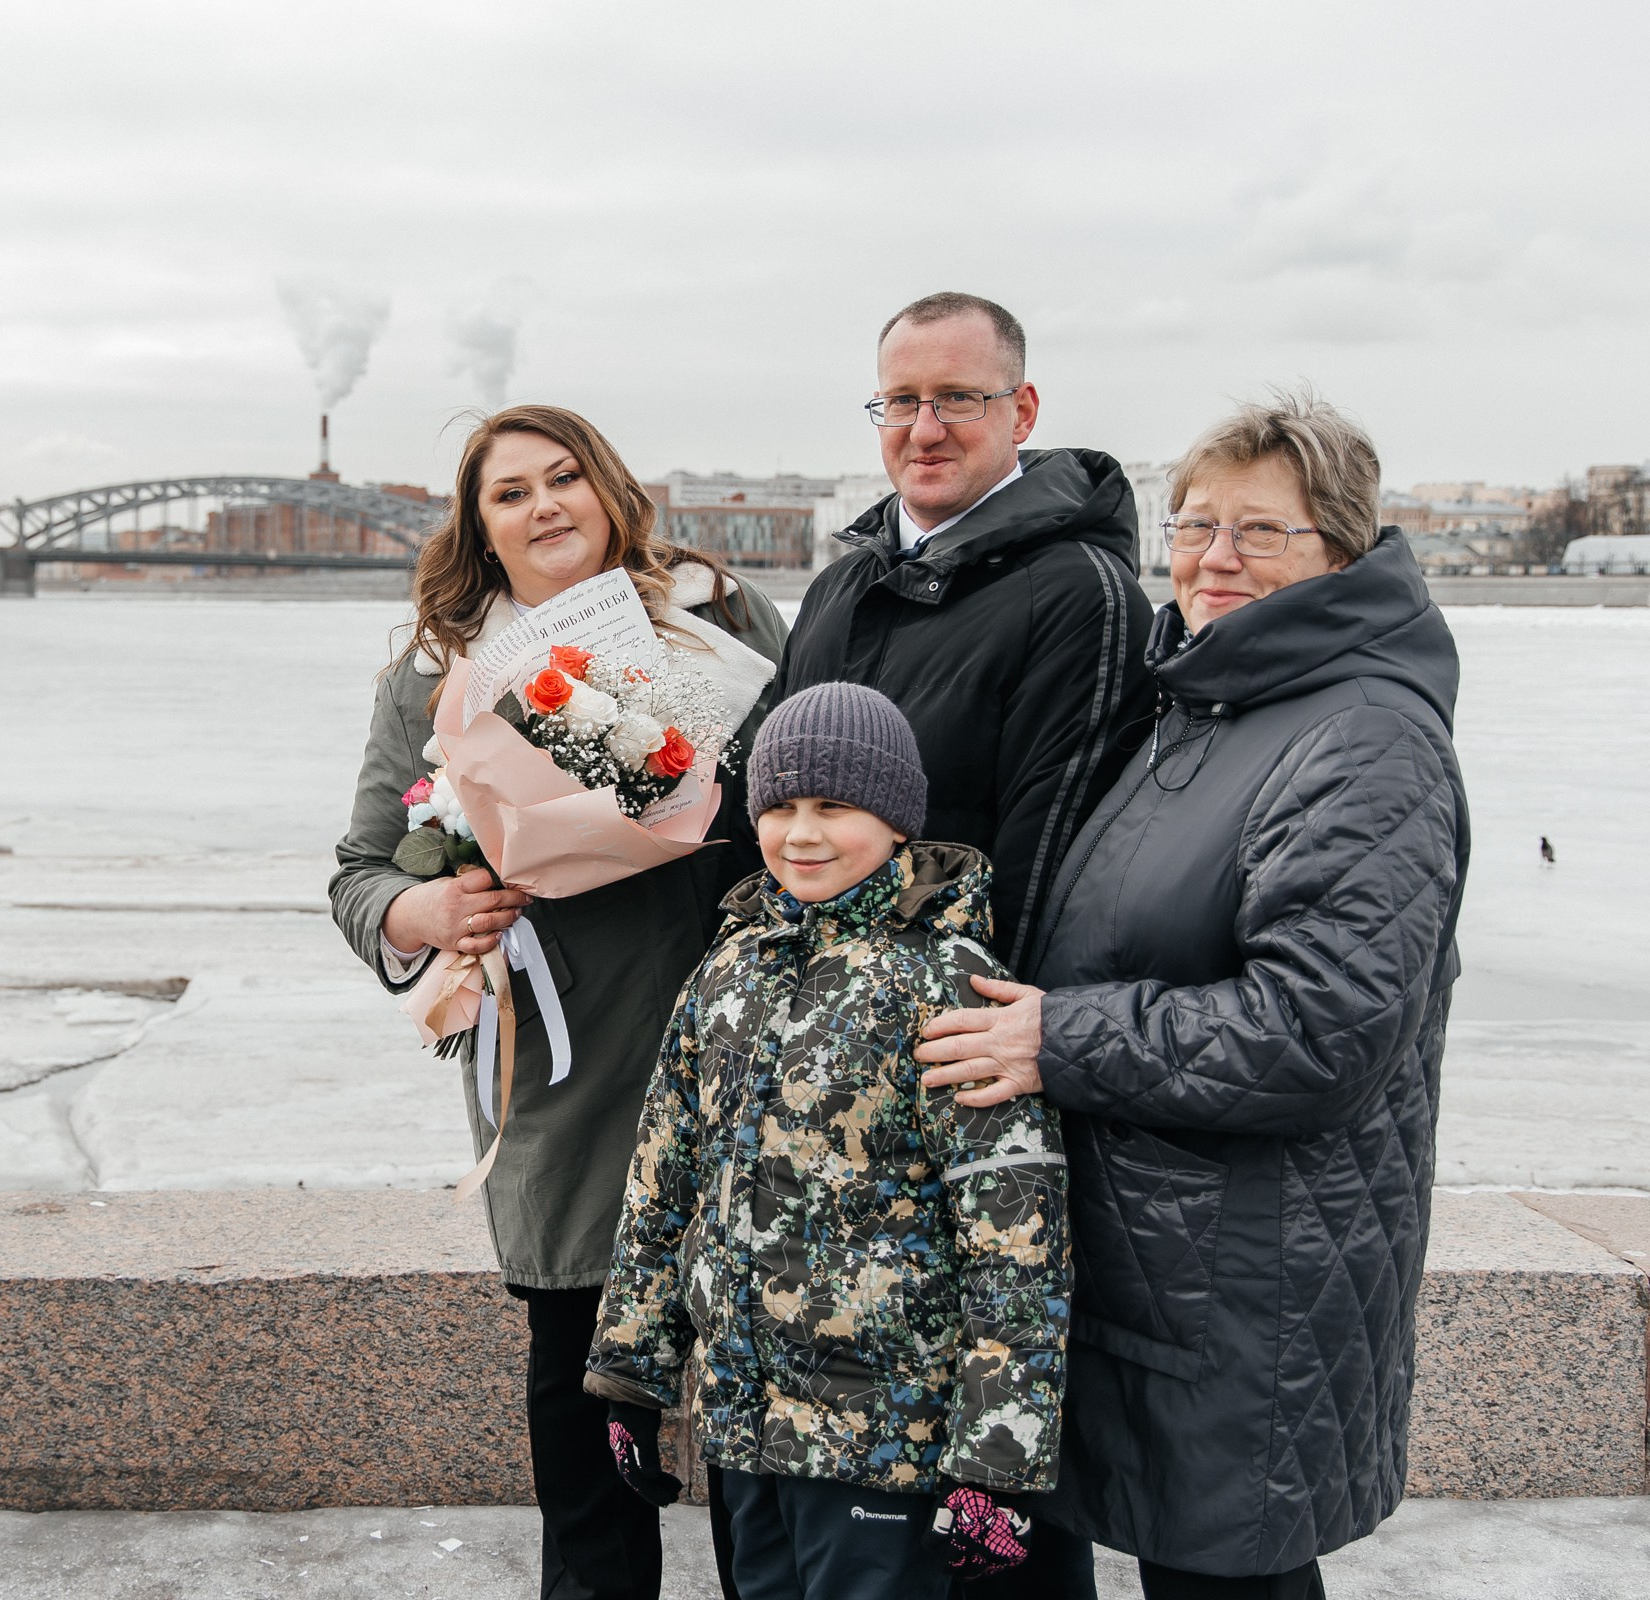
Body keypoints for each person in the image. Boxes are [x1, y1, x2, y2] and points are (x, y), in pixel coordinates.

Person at [914, 392, 1470, 1599]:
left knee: (1227, 1579)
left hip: (1251, 1282)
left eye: (1260, 532)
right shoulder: (1201, 703)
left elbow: (1318, 1033)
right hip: (1168, 1260)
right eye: (1194, 524)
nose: (1215, 558)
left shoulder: (1366, 738)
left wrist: (1058, 1037)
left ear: (1343, 550)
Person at [330, 403, 788, 1600]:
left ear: (608, 490)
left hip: (734, 1047)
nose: (545, 507)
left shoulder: (720, 619)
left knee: (755, 1397)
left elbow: (817, 799)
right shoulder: (440, 675)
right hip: (560, 1070)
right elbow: (360, 871)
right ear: (481, 530)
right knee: (582, 1395)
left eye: (564, 479)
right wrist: (425, 915)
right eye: (511, 493)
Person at [585, 682, 1071, 1600]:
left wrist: (995, 1462)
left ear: (895, 821)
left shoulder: (950, 983)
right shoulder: (728, 969)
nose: (801, 834)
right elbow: (663, 1183)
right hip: (742, 1421)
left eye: (834, 807)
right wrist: (630, 1371)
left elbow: (1014, 1237)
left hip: (884, 1437)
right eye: (780, 807)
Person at [780, 292, 1156, 985]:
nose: (924, 431)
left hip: (948, 1035)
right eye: (901, 401)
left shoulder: (1082, 597)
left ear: (1023, 411)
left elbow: (1045, 869)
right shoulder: (836, 590)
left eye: (956, 399)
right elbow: (767, 813)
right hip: (807, 1016)